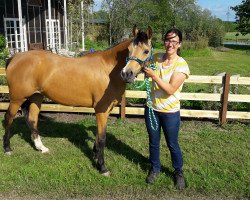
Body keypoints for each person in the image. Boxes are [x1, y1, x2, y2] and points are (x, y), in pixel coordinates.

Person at [143, 28, 190, 190]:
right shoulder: (156, 58)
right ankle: (155, 169)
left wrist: (154, 76)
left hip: (170, 113)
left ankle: (178, 172)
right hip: (152, 109)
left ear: (179, 44)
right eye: (167, 40)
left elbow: (170, 89)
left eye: (174, 41)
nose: (170, 44)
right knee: (153, 142)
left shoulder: (182, 65)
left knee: (172, 144)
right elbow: (144, 64)